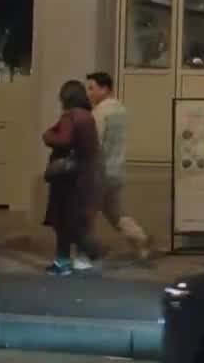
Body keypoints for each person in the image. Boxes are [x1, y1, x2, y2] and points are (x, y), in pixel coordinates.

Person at [86, 71, 152, 260]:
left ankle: (88, 251)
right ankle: (141, 239)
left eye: (92, 88)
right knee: (115, 212)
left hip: (100, 171)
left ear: (104, 88)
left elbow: (95, 142)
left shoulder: (100, 112)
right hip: (117, 170)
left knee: (87, 213)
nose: (89, 93)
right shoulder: (121, 110)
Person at [42, 79, 103, 275]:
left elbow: (63, 140)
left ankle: (66, 261)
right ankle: (80, 256)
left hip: (68, 179)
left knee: (64, 222)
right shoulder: (88, 116)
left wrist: (47, 135)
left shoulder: (70, 116)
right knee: (75, 221)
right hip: (85, 176)